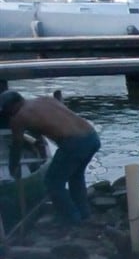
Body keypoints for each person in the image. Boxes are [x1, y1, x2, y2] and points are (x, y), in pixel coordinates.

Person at [0, 90, 101, 225]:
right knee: (76, 176)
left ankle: (71, 218)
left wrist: (13, 167)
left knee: (52, 182)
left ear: (12, 106)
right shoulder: (44, 100)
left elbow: (16, 145)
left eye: (6, 110)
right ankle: (84, 214)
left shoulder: (18, 117)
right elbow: (54, 119)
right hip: (92, 137)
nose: (6, 114)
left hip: (73, 144)